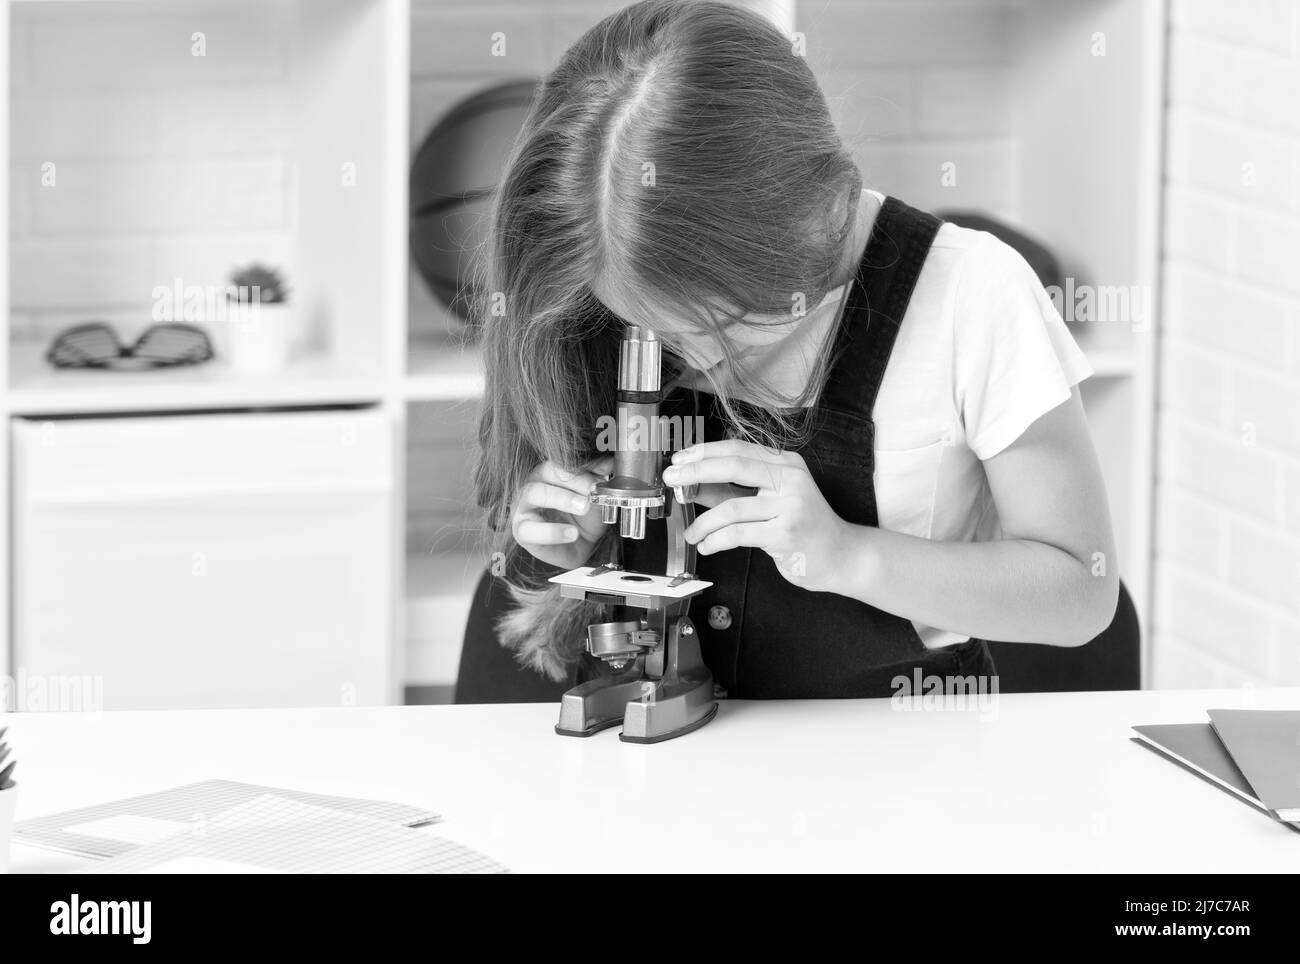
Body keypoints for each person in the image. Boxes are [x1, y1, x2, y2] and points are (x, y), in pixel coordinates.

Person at [463, 0, 1118, 701]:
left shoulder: (972, 297)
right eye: (649, 326)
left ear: (810, 221)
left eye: (718, 325)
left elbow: (1080, 591)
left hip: (896, 772)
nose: (687, 359)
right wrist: (566, 538)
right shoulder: (605, 279)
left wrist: (849, 555)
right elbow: (561, 543)